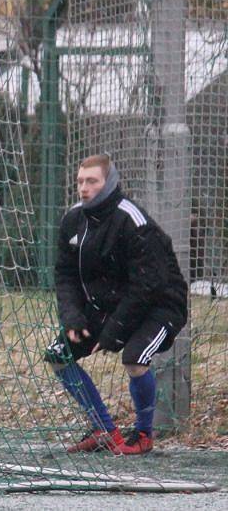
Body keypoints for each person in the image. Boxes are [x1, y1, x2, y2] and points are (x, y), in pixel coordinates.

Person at [45, 154, 187, 455]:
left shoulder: (132, 220)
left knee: (134, 359)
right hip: (112, 306)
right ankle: (104, 429)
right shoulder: (72, 220)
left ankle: (144, 435)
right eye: (80, 181)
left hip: (160, 304)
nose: (84, 188)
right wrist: (72, 318)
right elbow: (65, 274)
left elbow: (148, 284)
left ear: (109, 182)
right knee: (58, 355)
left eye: (92, 181)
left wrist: (113, 333)